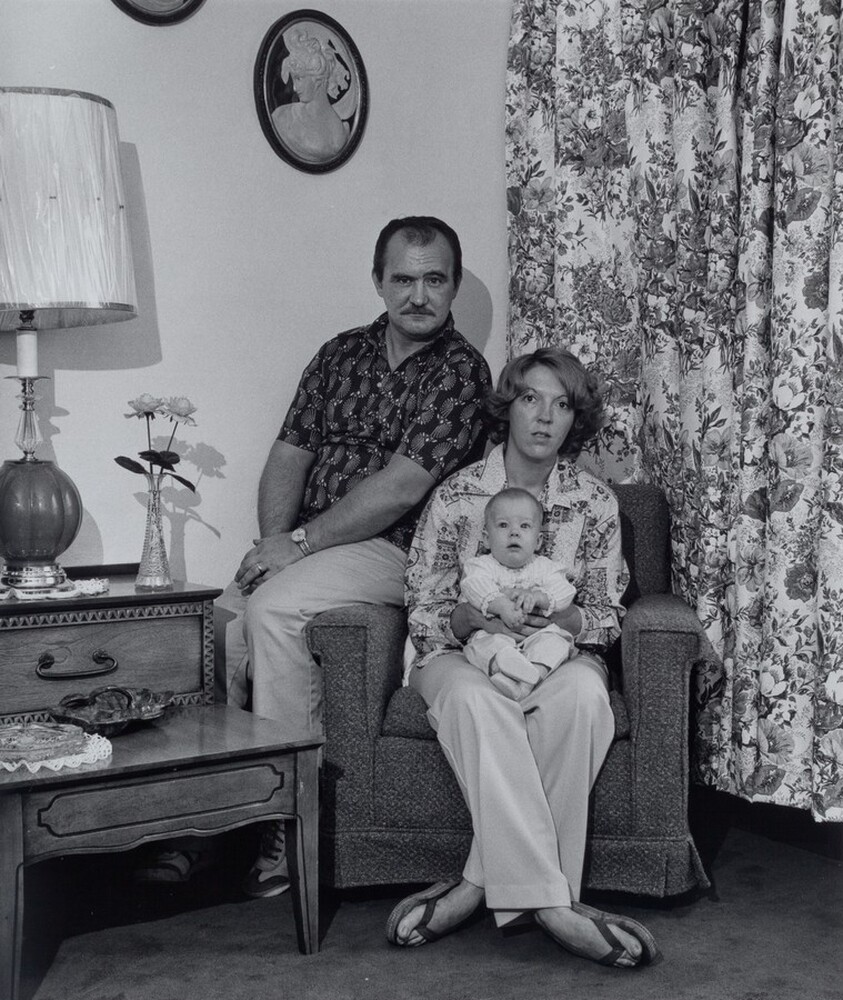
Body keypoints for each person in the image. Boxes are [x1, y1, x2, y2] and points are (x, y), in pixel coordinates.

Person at [134, 216, 491, 895]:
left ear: (452, 287)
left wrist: (297, 546)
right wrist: (275, 542)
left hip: (396, 548)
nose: (418, 295)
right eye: (403, 279)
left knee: (272, 613)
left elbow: (402, 487)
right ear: (378, 280)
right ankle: (203, 821)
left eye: (434, 280)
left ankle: (287, 827)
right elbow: (288, 456)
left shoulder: (461, 372)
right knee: (210, 632)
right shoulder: (340, 354)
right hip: (309, 543)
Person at [387, 348, 660, 968]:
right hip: (458, 654)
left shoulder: (594, 502)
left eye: (561, 405)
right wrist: (480, 619)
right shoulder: (457, 495)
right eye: (531, 399)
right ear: (508, 407)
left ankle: (476, 884)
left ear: (574, 420)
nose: (544, 417)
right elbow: (424, 610)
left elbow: (604, 614)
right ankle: (557, 907)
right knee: (475, 701)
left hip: (556, 654)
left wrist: (554, 618)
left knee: (584, 697)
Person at [459, 486, 576, 700]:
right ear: (486, 539)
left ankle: (530, 678)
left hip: (537, 635)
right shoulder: (481, 566)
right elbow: (473, 586)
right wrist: (501, 605)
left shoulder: (545, 567)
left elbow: (565, 591)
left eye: (524, 526)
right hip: (494, 633)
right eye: (503, 525)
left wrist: (539, 598)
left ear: (538, 541)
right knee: (480, 645)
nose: (514, 532)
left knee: (556, 642)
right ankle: (502, 667)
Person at [271, 29, 350, 162]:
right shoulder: (282, 116)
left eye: (299, 78)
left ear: (318, 78)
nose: (295, 88)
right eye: (294, 79)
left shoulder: (338, 135)